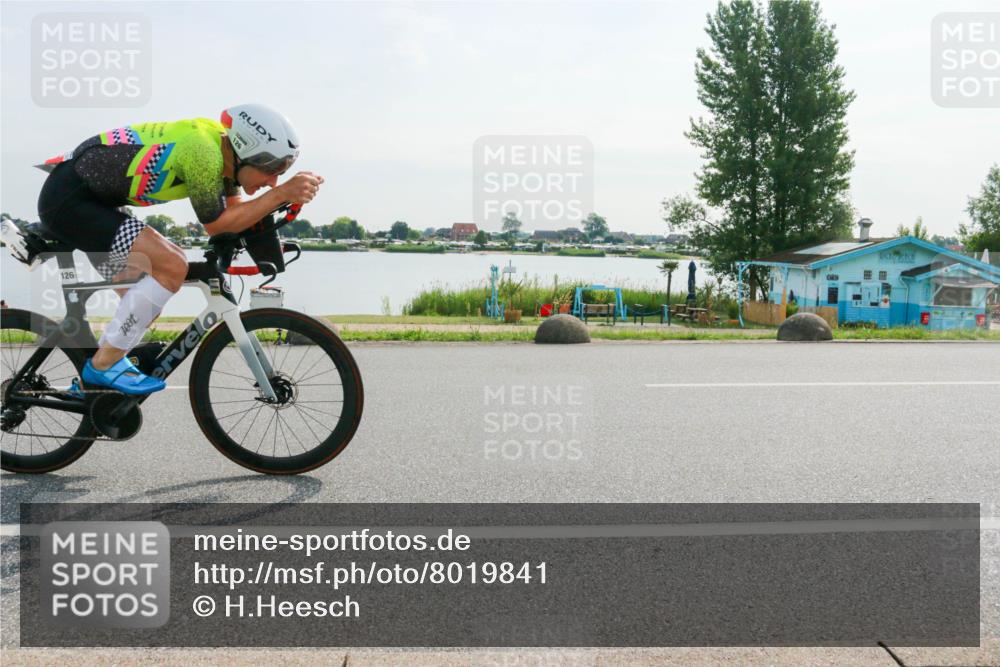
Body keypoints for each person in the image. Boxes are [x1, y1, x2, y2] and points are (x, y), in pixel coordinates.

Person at [35, 104, 323, 395]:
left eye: (279, 175)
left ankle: (94, 387)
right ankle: (102, 368)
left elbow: (237, 217)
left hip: (94, 202)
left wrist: (269, 243)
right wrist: (281, 194)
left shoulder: (224, 158)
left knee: (144, 302)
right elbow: (218, 225)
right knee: (172, 265)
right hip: (70, 203)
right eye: (272, 171)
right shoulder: (202, 153)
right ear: (246, 153)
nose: (273, 181)